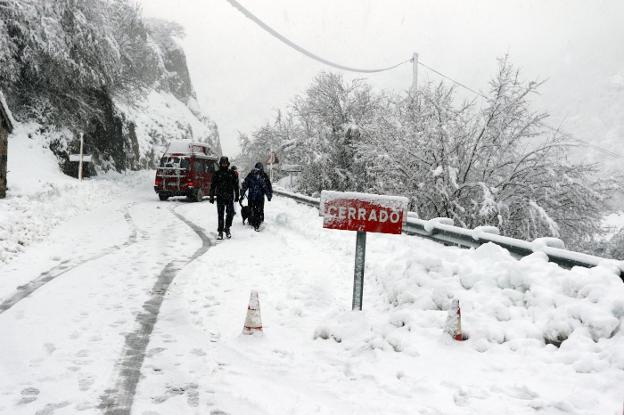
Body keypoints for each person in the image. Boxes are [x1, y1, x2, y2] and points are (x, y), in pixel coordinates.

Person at [209, 156, 239, 240]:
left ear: (228, 163)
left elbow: (236, 185)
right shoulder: (217, 173)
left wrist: (237, 195)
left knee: (231, 213)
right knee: (221, 214)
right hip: (220, 196)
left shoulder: (232, 173)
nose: (224, 164)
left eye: (225, 163)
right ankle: (220, 231)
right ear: (220, 164)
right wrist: (211, 196)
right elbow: (212, 186)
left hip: (229, 196)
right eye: (223, 163)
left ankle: (227, 228)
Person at [240, 162, 272, 231]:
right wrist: (269, 195)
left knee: (251, 210)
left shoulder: (251, 174)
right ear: (262, 168)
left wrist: (242, 194)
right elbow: (267, 187)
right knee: (259, 211)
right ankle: (259, 223)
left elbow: (245, 185)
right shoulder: (264, 175)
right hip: (260, 198)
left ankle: (251, 222)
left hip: (251, 197)